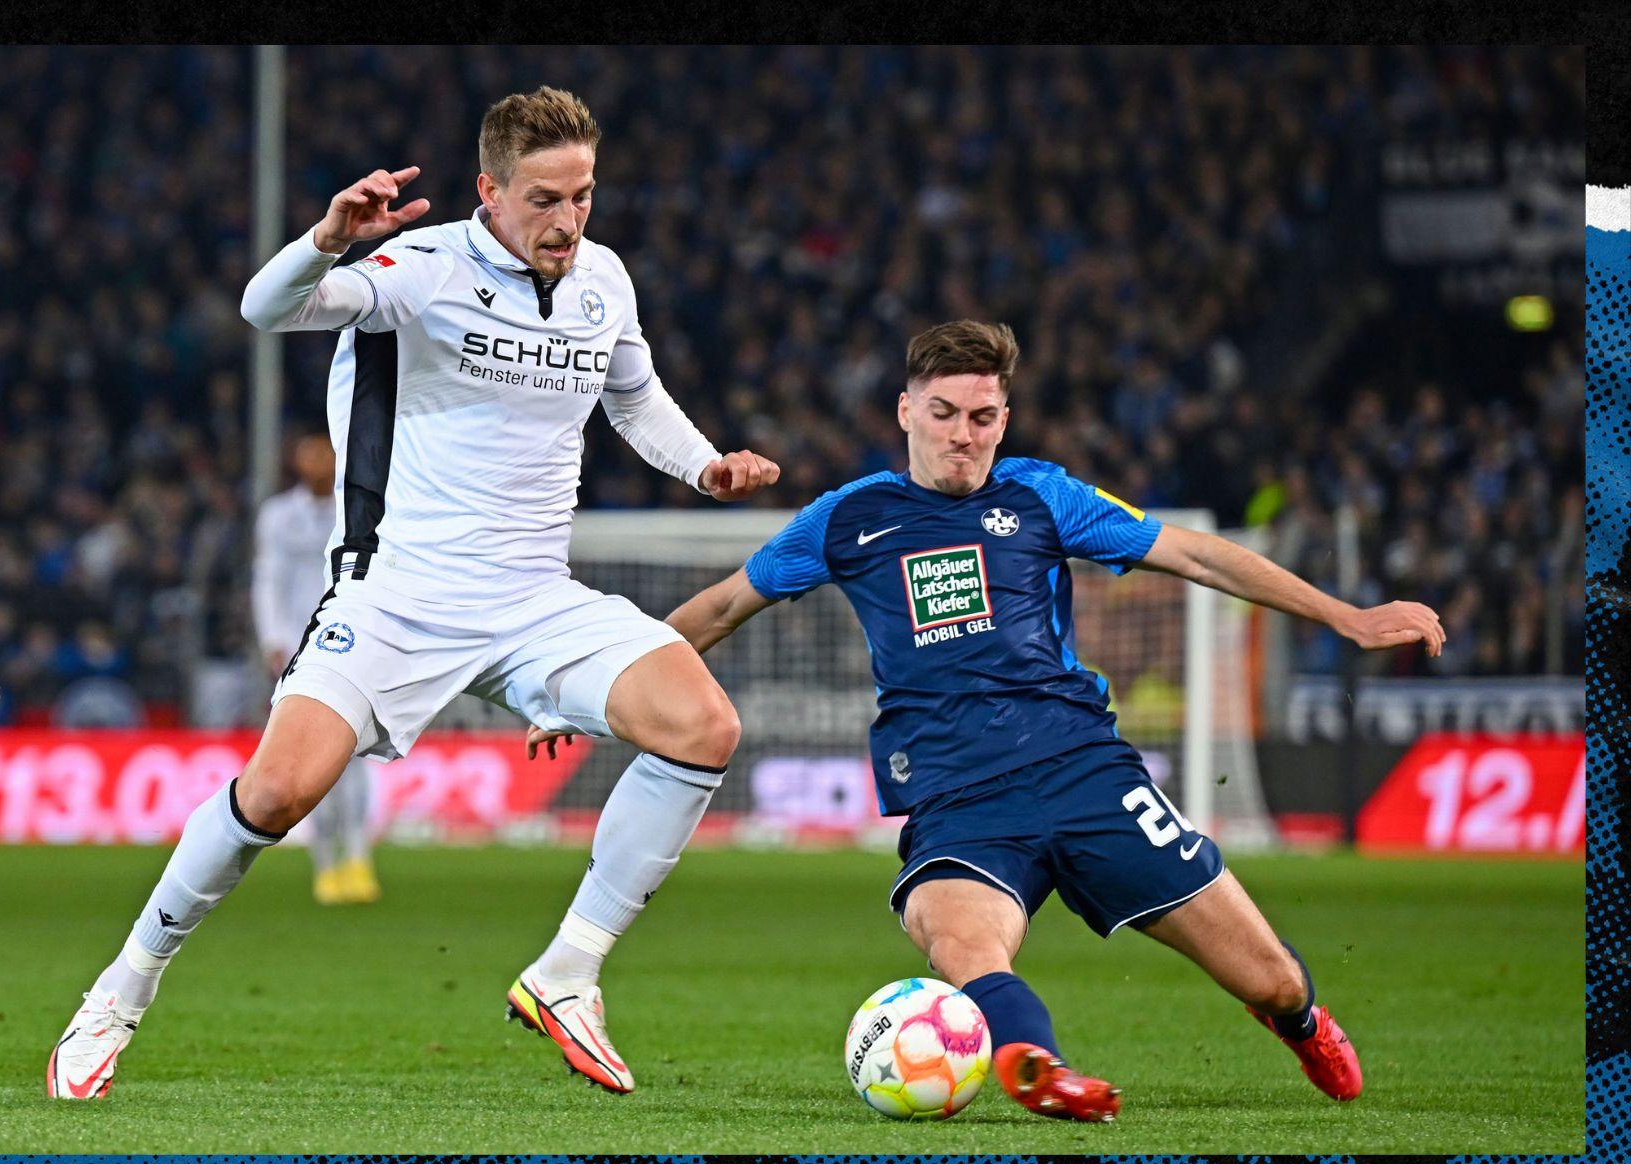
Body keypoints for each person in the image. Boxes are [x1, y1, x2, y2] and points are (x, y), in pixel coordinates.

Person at [48, 87, 780, 1100]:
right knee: (277, 794)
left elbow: (634, 397)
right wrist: (326, 241)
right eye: (545, 199)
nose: (568, 220)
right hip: (398, 593)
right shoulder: (423, 268)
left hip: (535, 599)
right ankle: (121, 990)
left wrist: (705, 467)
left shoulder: (603, 280)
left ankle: (567, 974)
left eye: (583, 196)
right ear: (490, 190)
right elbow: (267, 310)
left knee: (704, 727)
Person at [536, 320, 1443, 1121]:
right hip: (956, 796)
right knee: (961, 941)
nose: (961, 435)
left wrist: (1347, 617)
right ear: (906, 411)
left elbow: (1199, 557)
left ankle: (1298, 1019)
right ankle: (1033, 1066)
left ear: (1004, 420)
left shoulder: (1042, 496)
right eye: (943, 413)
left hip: (1086, 772)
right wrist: (594, 686)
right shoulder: (848, 519)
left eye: (981, 416)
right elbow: (723, 608)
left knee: (1269, 977)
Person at [251, 432, 380, 905]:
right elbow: (268, 580)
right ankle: (325, 863)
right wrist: (273, 639)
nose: (317, 462)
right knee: (307, 760)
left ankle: (359, 857)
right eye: (308, 454)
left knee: (356, 754)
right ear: (297, 462)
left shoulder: (361, 506)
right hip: (299, 648)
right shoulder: (278, 516)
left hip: (354, 641)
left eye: (324, 453)